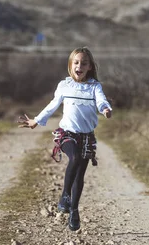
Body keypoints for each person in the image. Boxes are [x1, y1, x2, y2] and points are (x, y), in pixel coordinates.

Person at [17, 47, 112, 231]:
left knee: (79, 175)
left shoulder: (94, 87)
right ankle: (64, 196)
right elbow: (52, 105)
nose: (79, 66)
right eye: (76, 62)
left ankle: (74, 210)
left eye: (84, 63)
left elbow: (101, 100)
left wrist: (105, 109)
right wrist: (36, 121)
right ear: (70, 65)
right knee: (74, 157)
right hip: (67, 133)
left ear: (90, 67)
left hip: (86, 137)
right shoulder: (64, 85)